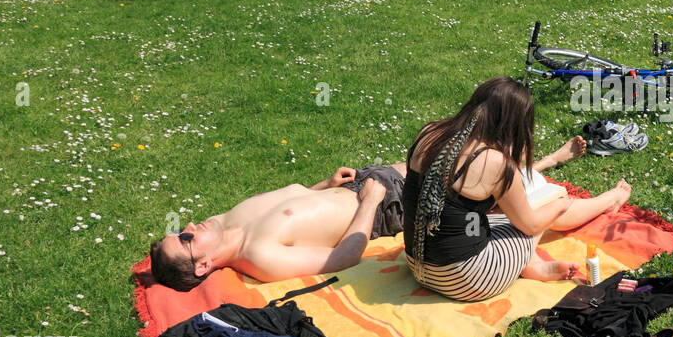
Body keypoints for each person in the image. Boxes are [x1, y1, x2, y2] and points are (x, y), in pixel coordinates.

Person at [403, 77, 631, 302]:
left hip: (419, 264)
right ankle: (609, 200)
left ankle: (528, 262)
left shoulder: (430, 133)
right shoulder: (494, 162)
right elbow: (530, 224)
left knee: (501, 217)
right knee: (544, 209)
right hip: (465, 280)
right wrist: (562, 204)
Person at [148, 164, 408, 290]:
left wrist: (325, 184)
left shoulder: (221, 223)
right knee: (440, 152)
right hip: (386, 202)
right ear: (202, 265)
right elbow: (344, 257)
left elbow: (290, 206)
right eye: (185, 238)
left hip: (359, 184)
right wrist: (371, 201)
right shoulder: (260, 257)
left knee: (435, 142)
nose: (191, 225)